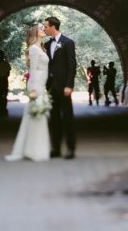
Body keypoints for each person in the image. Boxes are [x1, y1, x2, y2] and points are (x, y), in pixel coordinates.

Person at [5, 24, 51, 161]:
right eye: (41, 29)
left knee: (39, 116)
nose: (44, 30)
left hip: (42, 85)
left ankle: (37, 149)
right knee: (36, 115)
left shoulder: (41, 48)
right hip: (37, 85)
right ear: (35, 33)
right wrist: (32, 90)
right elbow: (33, 70)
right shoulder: (33, 49)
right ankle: (33, 150)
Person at [43, 16, 77, 160]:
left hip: (64, 87)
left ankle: (70, 149)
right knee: (54, 119)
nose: (44, 29)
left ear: (53, 27)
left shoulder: (68, 43)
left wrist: (69, 85)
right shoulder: (46, 44)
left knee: (67, 118)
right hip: (51, 88)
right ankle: (56, 148)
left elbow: (72, 65)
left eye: (45, 26)